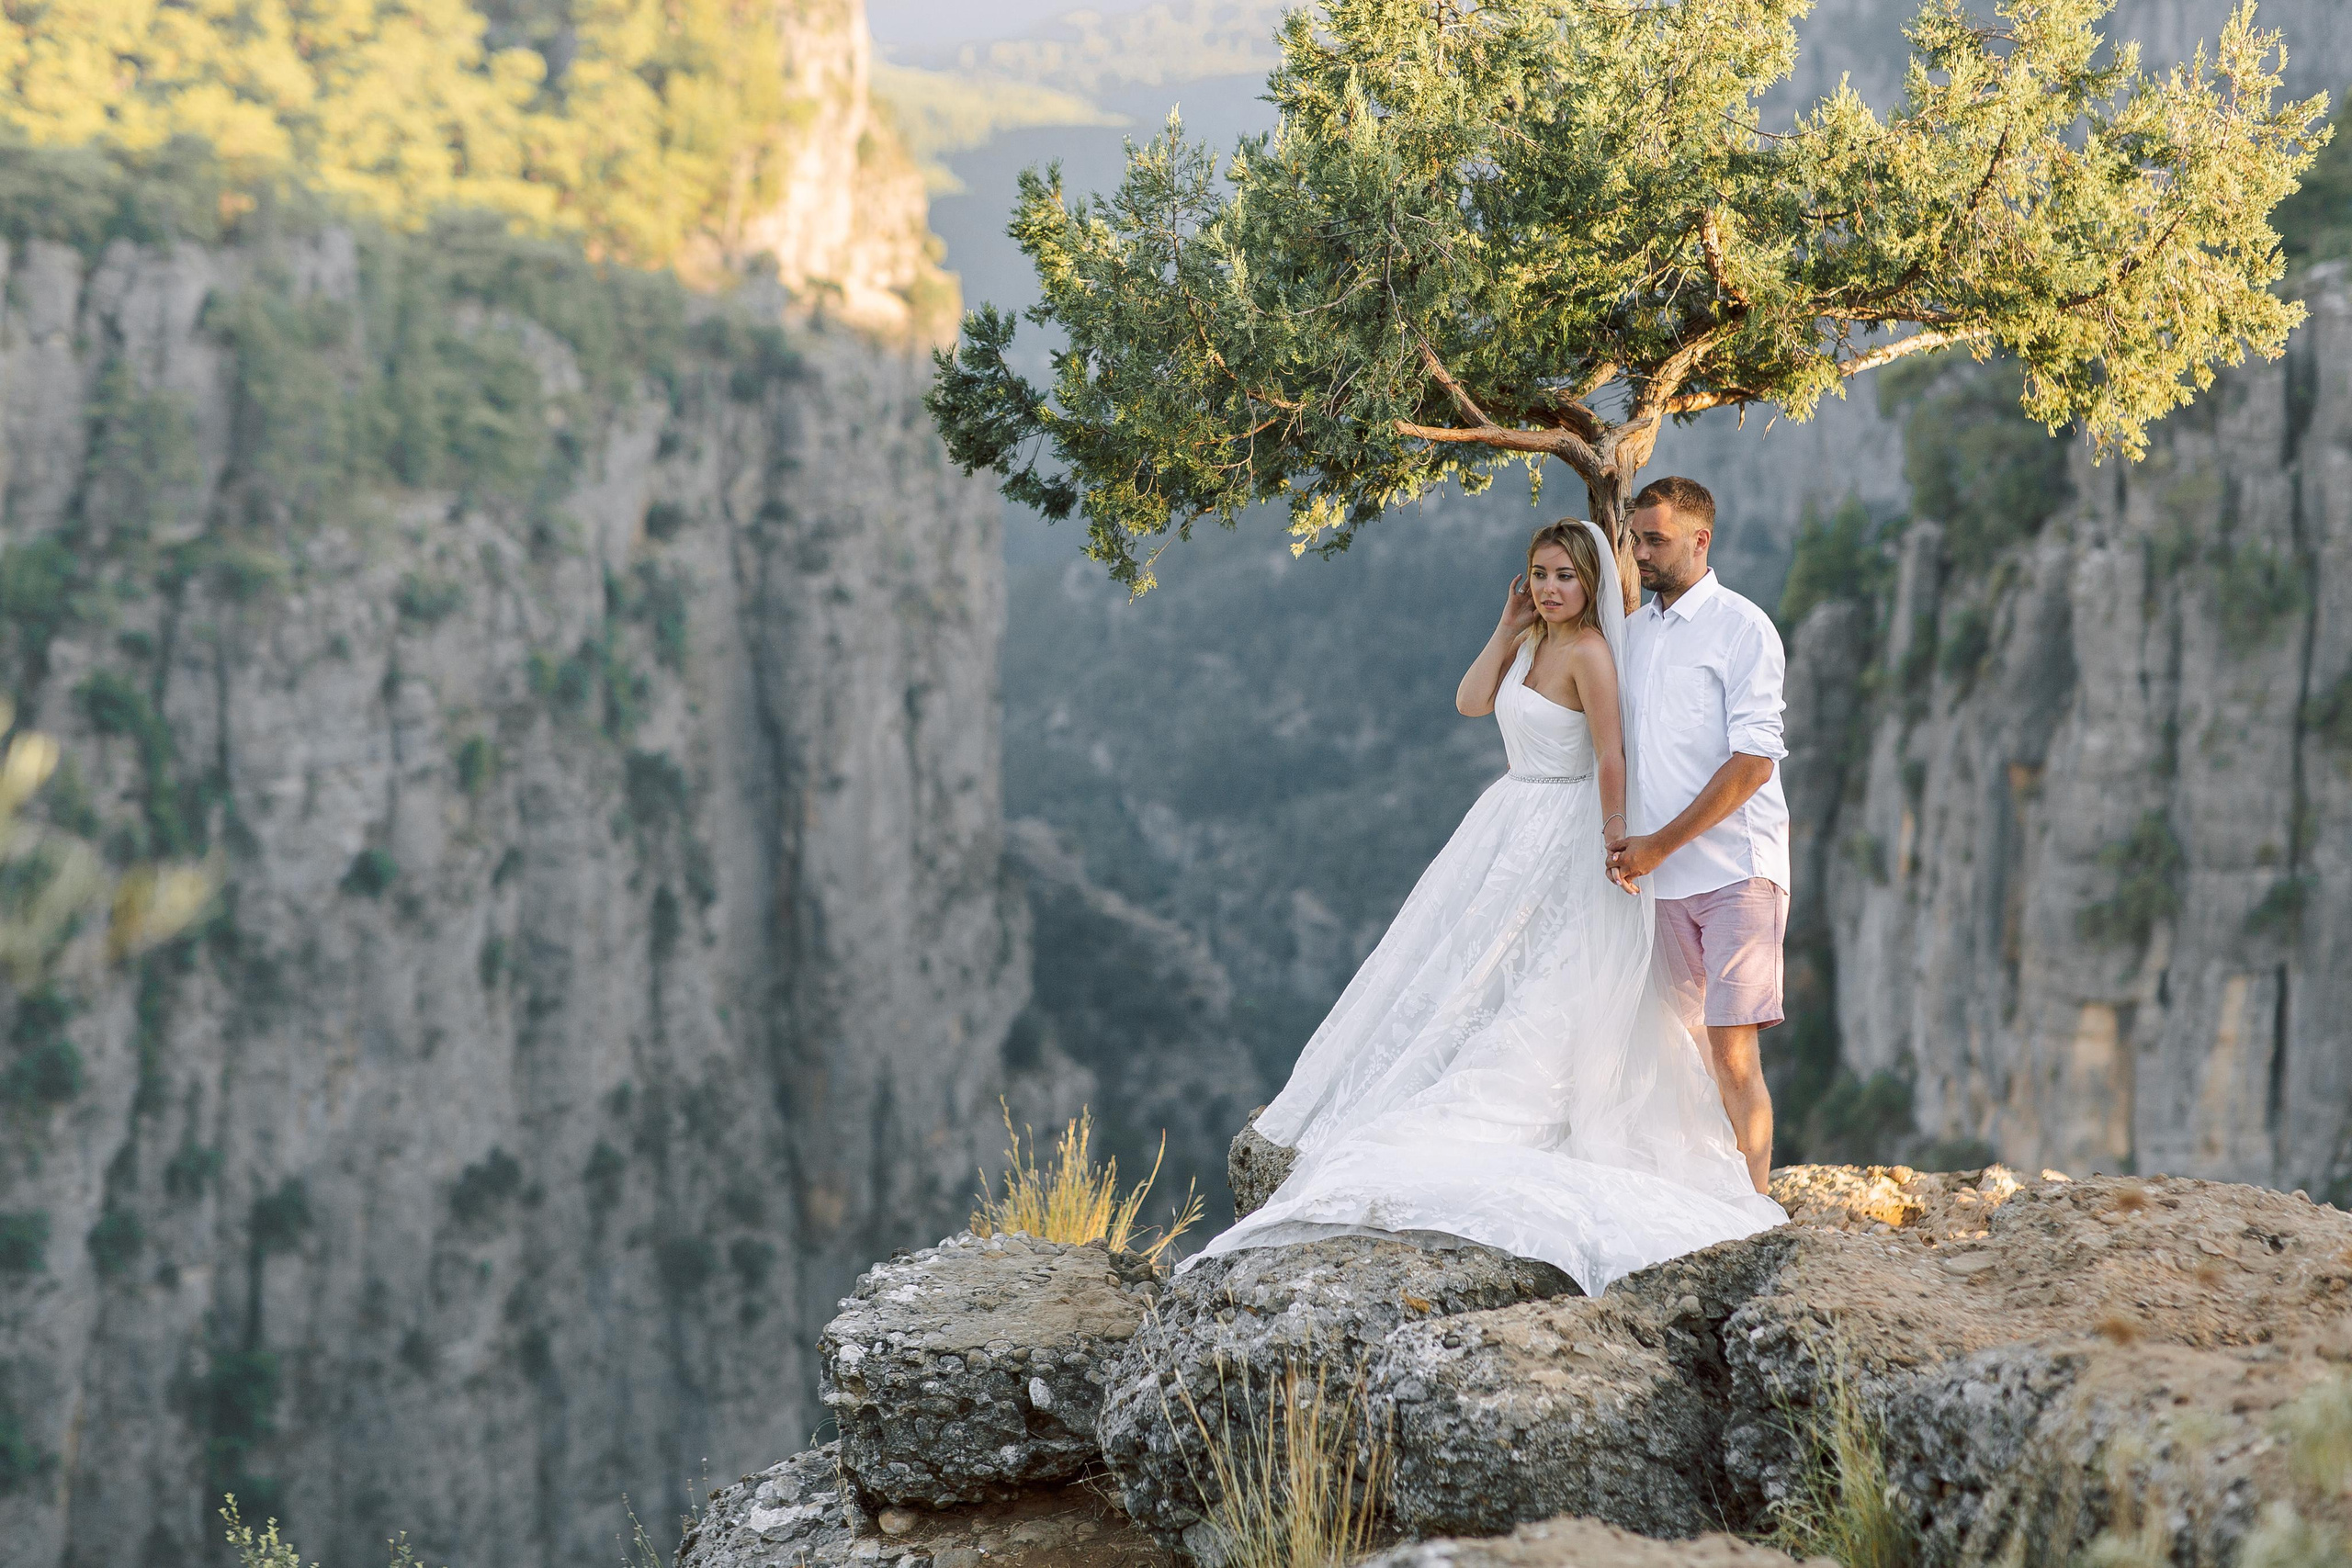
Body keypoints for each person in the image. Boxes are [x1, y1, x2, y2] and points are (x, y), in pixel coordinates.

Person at [1186, 517, 1785, 1296]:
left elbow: (1612, 753)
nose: (1549, 587)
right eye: (1539, 573)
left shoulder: (1596, 654)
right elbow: (1471, 700)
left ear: (1590, 584)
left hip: (1566, 826)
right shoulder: (1533, 641)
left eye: (1565, 576)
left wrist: (1615, 836)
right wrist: (1507, 629)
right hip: (1506, 821)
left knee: (1549, 977)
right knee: (1468, 965)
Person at [1606, 477, 1789, 1195]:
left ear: (1700, 539)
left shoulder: (1744, 629)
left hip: (1738, 872)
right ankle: (1692, 1204)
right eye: (1635, 538)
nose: (1641, 552)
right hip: (1658, 884)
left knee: (1733, 1054)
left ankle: (1752, 1212)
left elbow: (1753, 764)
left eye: (1655, 539)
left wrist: (1658, 844)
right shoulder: (1631, 634)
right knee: (1675, 1058)